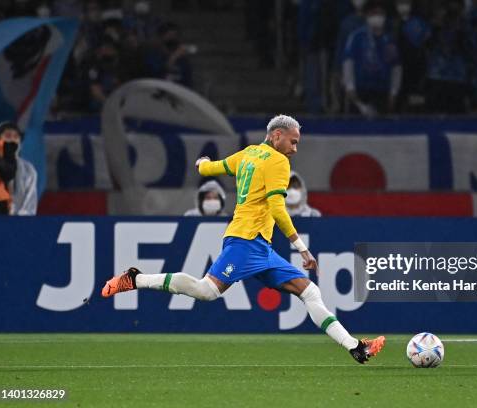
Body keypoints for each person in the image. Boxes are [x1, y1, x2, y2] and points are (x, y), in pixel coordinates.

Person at [102, 114, 385, 364]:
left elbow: (211, 168)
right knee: (206, 292)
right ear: (276, 136)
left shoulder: (248, 154)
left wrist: (201, 163)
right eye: (293, 141)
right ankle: (135, 279)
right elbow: (277, 208)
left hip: (259, 246)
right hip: (246, 241)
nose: (294, 149)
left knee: (309, 291)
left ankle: (355, 347)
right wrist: (301, 248)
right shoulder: (278, 162)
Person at [342, 0, 402, 116]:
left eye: (380, 14)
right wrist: (350, 87)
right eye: (373, 14)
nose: (377, 17)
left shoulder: (389, 40)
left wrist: (394, 92)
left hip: (381, 90)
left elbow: (396, 68)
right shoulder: (356, 37)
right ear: (366, 16)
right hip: (360, 90)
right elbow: (348, 63)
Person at [0, 122, 19, 215]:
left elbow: (9, 173)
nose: (12, 139)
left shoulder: (7, 148)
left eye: (15, 136)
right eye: (8, 135)